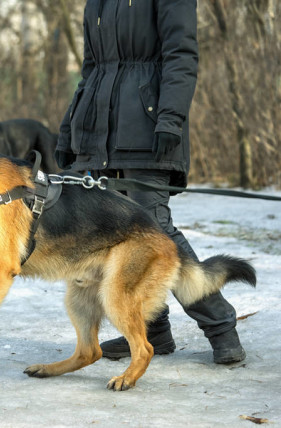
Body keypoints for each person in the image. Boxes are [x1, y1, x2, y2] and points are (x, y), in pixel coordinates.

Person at [55, 0, 246, 365]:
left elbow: (181, 56)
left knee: (154, 230)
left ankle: (220, 326)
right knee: (115, 236)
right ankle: (152, 330)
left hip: (149, 126)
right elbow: (92, 70)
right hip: (100, 135)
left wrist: (170, 119)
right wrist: (71, 129)